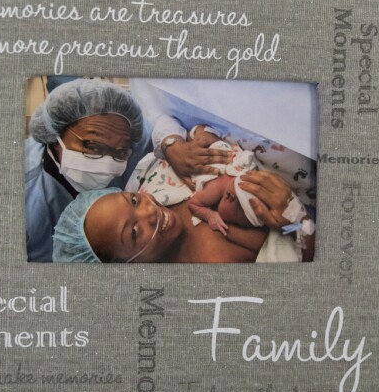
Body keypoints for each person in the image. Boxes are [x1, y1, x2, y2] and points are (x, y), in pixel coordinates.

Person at [52, 171, 314, 263]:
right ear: (127, 267)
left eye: (132, 200)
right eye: (134, 232)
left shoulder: (151, 182)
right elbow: (299, 256)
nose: (149, 211)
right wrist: (295, 218)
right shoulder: (212, 268)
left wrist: (170, 143)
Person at [25, 78, 145, 262]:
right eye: (94, 147)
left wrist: (172, 141)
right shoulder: (26, 195)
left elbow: (158, 131)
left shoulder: (127, 138)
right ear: (57, 139)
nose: (106, 164)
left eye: (120, 152)